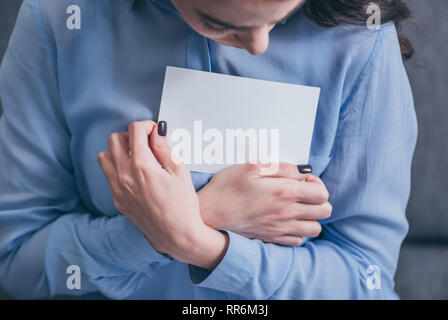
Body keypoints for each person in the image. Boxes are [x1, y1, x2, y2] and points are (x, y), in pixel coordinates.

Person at [0, 0, 417, 299]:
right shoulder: (60, 16)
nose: (258, 46)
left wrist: (194, 238)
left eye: (282, 13)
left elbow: (368, 282)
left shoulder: (360, 38)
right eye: (217, 21)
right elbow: (18, 267)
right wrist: (190, 222)